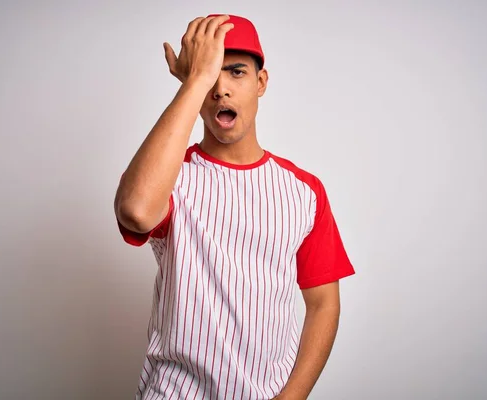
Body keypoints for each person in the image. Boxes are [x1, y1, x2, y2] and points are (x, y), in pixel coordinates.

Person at [114, 14, 355, 400]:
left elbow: (323, 304)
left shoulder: (304, 190)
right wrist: (194, 82)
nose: (220, 89)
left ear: (261, 82)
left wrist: (291, 397)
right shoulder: (173, 178)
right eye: (211, 74)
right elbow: (136, 211)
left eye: (236, 72)